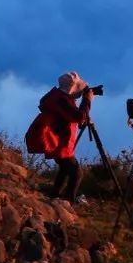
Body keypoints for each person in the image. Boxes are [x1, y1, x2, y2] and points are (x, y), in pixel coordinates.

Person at [38, 71, 95, 203]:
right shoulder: (62, 100)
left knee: (64, 169)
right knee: (76, 173)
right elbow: (79, 117)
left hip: (56, 140)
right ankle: (68, 201)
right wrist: (87, 100)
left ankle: (55, 195)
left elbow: (73, 116)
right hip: (59, 142)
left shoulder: (57, 96)